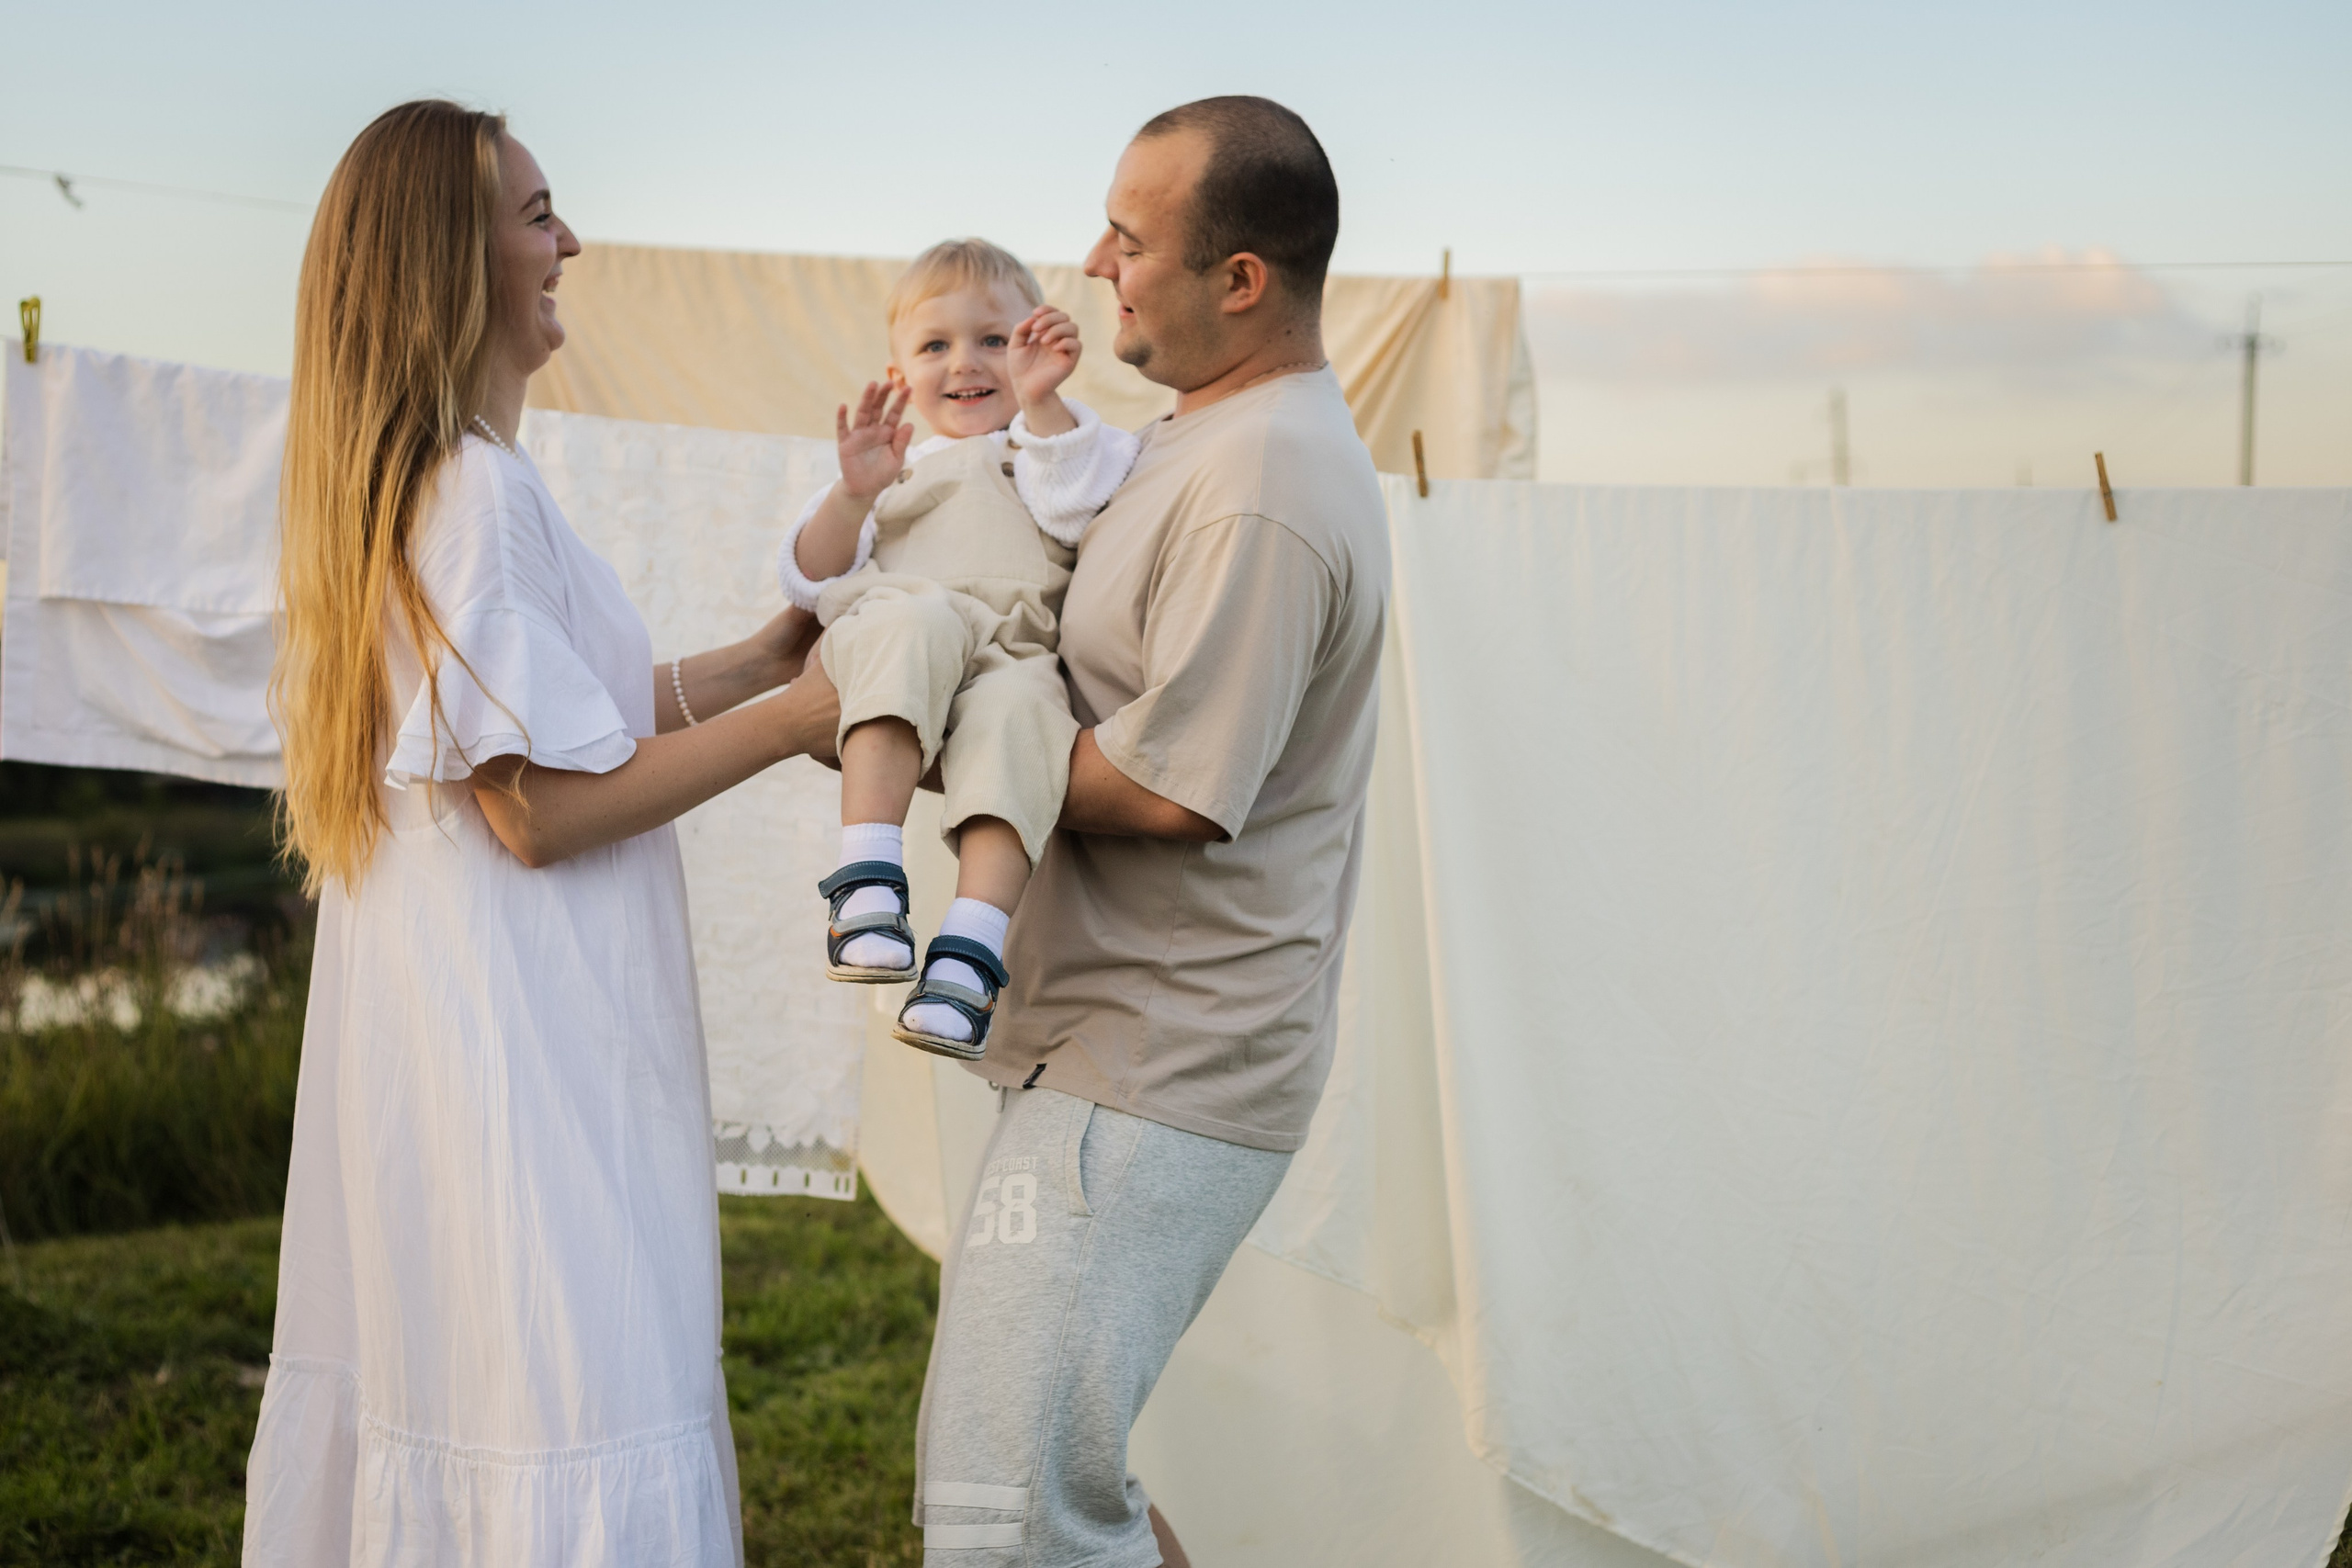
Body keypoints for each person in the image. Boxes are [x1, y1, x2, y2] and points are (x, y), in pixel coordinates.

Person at [245, 100, 840, 1567]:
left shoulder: (445, 485)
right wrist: (798, 721)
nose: (569, 241)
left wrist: (759, 662)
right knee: (567, 1399)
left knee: (487, 1393)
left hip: (478, 1050)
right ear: (454, 263)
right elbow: (533, 807)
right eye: (536, 215)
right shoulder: (477, 495)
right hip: (529, 1065)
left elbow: (554, 715)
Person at [910, 96, 1390, 1568]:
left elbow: (1176, 790)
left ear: (1241, 277)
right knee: (1038, 1483)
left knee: (1007, 1515)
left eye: (1132, 235)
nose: (1095, 260)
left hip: (1158, 1061)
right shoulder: (1196, 435)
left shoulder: (1268, 486)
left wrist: (928, 725)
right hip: (1100, 1045)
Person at [776, 239, 1136, 1059]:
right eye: (935, 346)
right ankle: (867, 878)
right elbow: (808, 576)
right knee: (918, 620)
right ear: (900, 372)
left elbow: (1085, 503)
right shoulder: (893, 462)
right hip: (904, 634)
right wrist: (853, 492)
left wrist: (1044, 405)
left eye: (994, 340)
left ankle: (968, 955)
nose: (965, 363)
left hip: (1011, 654)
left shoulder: (1051, 445)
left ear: (1037, 347)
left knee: (1024, 720)